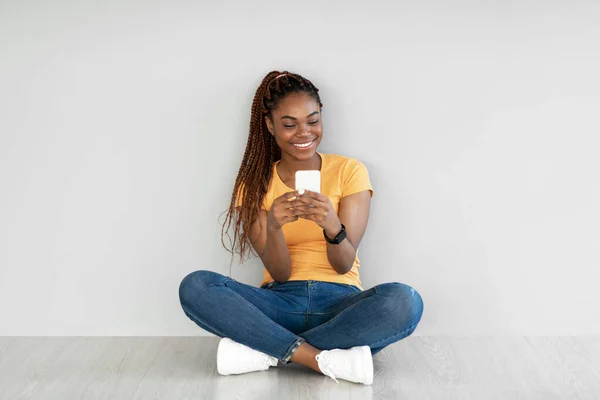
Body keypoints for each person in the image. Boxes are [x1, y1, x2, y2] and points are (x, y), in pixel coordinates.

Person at [179, 70, 424, 385]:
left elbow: (343, 264)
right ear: (270, 125)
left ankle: (269, 349)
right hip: (278, 303)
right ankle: (319, 358)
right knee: (196, 286)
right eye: (289, 124)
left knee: (405, 301)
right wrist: (274, 226)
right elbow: (279, 273)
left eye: (312, 120)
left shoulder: (350, 171)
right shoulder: (254, 184)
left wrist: (332, 226)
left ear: (321, 117)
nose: (303, 132)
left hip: (341, 305)